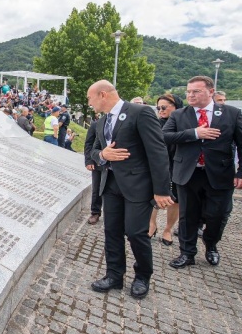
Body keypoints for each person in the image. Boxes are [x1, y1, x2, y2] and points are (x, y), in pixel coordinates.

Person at [88, 80, 172, 299]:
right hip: (111, 184)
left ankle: (142, 276)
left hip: (137, 186)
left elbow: (157, 152)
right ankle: (114, 275)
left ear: (102, 94)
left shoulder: (140, 112)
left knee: (135, 233)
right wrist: (102, 155)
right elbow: (95, 150)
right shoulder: (101, 121)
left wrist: (162, 190)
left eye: (90, 98)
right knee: (112, 232)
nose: (89, 103)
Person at [163, 76, 242, 269]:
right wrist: (195, 133)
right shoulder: (179, 115)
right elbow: (164, 136)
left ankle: (211, 244)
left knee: (218, 215)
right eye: (188, 91)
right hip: (188, 173)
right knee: (188, 215)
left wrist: (240, 173)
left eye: (196, 91)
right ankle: (187, 253)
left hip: (220, 174)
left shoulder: (232, 114)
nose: (190, 95)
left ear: (211, 92)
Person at [147, 94, 183, 244]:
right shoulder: (155, 123)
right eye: (158, 108)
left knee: (175, 200)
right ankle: (151, 224)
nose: (160, 110)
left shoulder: (184, 123)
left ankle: (168, 229)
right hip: (158, 165)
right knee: (152, 196)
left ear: (176, 108)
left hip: (178, 165)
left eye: (164, 107)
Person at [84, 117, 102, 225]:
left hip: (116, 164)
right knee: (97, 188)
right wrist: (89, 160)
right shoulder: (96, 124)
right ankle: (95, 212)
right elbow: (89, 143)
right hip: (98, 162)